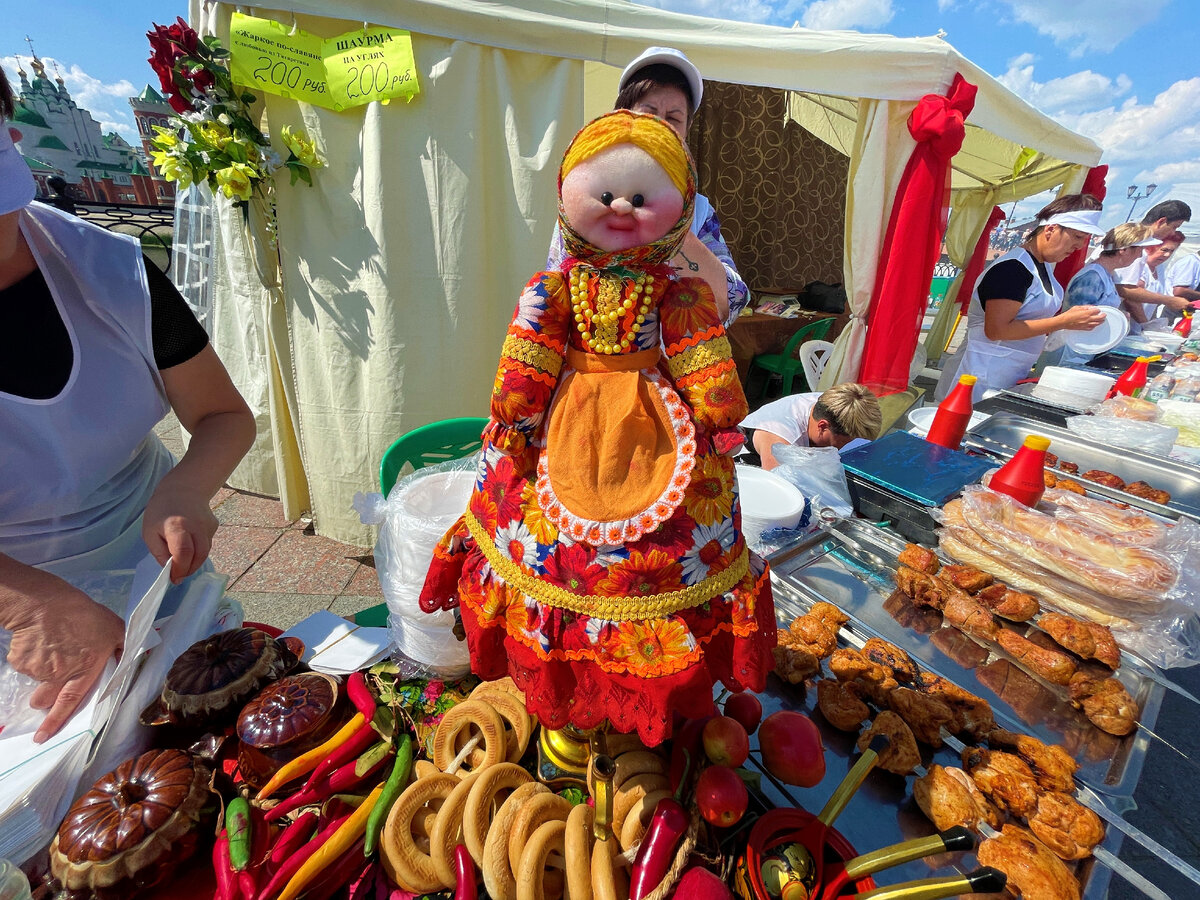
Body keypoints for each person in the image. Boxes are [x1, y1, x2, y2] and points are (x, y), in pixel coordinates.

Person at [421, 110, 774, 746]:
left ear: (681, 207)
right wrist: (515, 416)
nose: (620, 207)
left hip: (654, 425)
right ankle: (569, 686)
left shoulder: (679, 290)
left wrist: (720, 417)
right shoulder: (554, 285)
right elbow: (529, 352)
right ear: (565, 194)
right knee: (538, 540)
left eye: (641, 198)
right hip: (563, 421)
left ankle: (631, 690)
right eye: (604, 192)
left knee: (669, 551)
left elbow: (699, 353)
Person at [0, 69, 256, 743]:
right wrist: (23, 605)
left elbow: (223, 415)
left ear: (13, 141)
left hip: (149, 567)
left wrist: (185, 490)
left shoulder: (112, 271)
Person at [547, 46, 749, 326]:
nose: (660, 126)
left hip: (671, 364)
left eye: (674, 118)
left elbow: (731, 300)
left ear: (687, 130)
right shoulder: (585, 199)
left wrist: (675, 228)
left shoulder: (699, 211)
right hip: (590, 363)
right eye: (649, 112)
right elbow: (555, 287)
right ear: (622, 117)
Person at [935, 194, 1108, 401]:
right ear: (1051, 229)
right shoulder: (1013, 270)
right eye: (1077, 236)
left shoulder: (1043, 268)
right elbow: (997, 330)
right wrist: (1063, 321)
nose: (1079, 246)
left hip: (1006, 371)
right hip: (977, 372)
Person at [1039, 224, 1161, 369]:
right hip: (1067, 354)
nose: (1140, 256)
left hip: (1082, 352)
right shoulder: (1092, 277)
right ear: (1124, 250)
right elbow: (1077, 319)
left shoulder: (1106, 274)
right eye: (1139, 250)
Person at [740, 383, 882, 470]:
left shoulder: (831, 404)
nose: (844, 449)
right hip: (745, 465)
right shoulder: (780, 439)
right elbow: (777, 492)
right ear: (822, 426)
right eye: (844, 443)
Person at [1115, 229, 1192, 332]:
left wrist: (1154, 324)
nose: (1167, 255)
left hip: (1138, 329)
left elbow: (1153, 302)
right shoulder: (1139, 265)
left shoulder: (1159, 268)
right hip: (1125, 327)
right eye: (1164, 250)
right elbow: (1131, 300)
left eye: (1172, 251)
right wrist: (1146, 325)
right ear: (1150, 248)